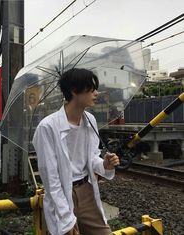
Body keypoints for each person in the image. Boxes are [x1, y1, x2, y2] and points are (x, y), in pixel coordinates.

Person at [33, 68, 120, 235]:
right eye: (92, 89)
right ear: (74, 90)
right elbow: (51, 178)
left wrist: (105, 164)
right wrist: (66, 219)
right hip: (62, 196)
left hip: (86, 190)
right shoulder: (47, 127)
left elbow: (91, 157)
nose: (96, 93)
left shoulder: (90, 120)